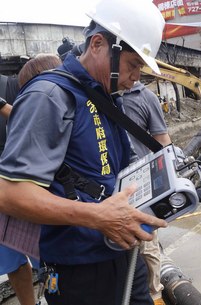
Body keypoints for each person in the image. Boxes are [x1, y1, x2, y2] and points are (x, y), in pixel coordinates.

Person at [0, 1, 167, 305]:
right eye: (133, 64)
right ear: (99, 44)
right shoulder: (49, 96)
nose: (136, 76)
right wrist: (98, 216)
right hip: (81, 273)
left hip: (121, 257)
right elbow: (11, 194)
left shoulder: (102, 96)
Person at [0, 53, 62, 305]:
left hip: (36, 189)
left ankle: (58, 295)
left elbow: (37, 122)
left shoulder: (17, 88)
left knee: (49, 257)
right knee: (11, 261)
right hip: (3, 195)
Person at [122, 80, 172, 305]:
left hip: (142, 189)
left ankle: (155, 295)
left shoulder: (146, 98)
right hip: (113, 189)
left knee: (149, 246)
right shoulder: (98, 94)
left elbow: (162, 141)